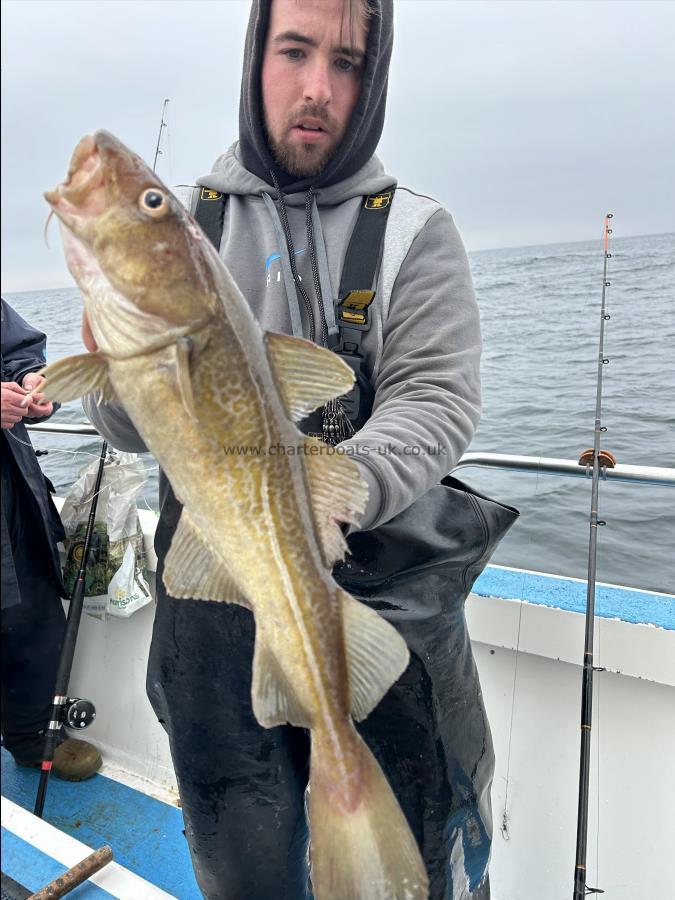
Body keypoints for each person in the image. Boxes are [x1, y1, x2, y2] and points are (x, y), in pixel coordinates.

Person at [83, 1, 510, 897]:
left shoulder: (413, 231)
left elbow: (435, 398)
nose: (319, 87)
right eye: (295, 50)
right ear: (255, 60)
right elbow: (124, 431)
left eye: (349, 61)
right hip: (207, 626)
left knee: (418, 867)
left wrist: (335, 484)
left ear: (376, 77)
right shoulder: (191, 224)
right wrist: (119, 355)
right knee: (240, 867)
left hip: (373, 597)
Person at [1, 298, 102, 781]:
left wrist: (37, 385)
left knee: (33, 617)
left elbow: (22, 351)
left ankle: (34, 738)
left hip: (13, 494)